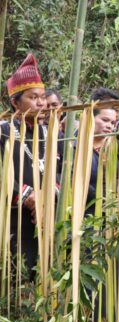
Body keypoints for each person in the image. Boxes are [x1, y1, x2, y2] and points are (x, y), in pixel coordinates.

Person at [0, 54, 54, 277]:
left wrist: (48, 196)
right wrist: (29, 197)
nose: (41, 103)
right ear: (15, 102)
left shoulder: (49, 133)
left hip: (46, 215)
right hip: (13, 219)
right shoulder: (3, 132)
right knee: (16, 275)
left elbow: (60, 170)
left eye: (42, 97)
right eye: (33, 98)